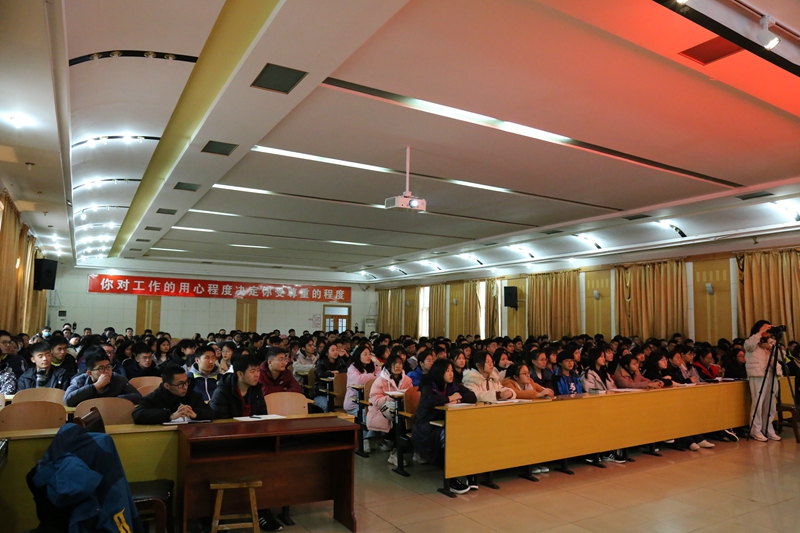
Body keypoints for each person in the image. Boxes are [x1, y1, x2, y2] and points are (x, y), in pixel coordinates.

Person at [412, 359, 476, 491]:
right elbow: (430, 400)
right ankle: (451, 480)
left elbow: (472, 397)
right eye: (447, 371)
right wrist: (449, 398)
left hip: (445, 423)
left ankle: (471, 474)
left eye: (452, 370)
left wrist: (458, 399)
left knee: (469, 435)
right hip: (426, 427)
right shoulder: (428, 384)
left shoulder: (453, 385)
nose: (451, 374)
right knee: (452, 439)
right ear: (439, 372)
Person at [366, 353, 413, 465]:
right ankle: (395, 454)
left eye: (400, 363)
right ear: (388, 366)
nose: (398, 366)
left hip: (400, 409)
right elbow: (376, 401)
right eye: (394, 363)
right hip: (381, 411)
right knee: (399, 422)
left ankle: (415, 451)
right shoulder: (380, 381)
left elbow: (410, 396)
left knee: (410, 418)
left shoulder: (407, 379)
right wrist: (392, 397)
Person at [132, 366, 218, 424]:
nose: (185, 387)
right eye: (180, 384)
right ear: (167, 386)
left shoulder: (193, 395)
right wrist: (170, 416)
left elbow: (211, 413)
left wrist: (195, 414)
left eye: (186, 382)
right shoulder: (156, 396)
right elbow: (137, 414)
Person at [64, 346, 142, 407]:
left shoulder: (119, 379)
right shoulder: (79, 381)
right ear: (89, 373)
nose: (107, 371)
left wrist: (112, 400)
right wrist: (96, 386)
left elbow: (137, 396)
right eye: (101, 368)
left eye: (108, 367)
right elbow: (68, 400)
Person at [745, 320, 783, 442]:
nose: (768, 330)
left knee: (770, 404)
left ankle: (768, 428)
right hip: (758, 375)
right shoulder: (751, 340)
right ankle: (755, 430)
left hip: (772, 374)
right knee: (758, 403)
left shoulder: (772, 342)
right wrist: (760, 333)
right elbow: (748, 346)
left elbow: (782, 356)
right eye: (765, 327)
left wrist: (770, 347)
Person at [343, 344, 381, 418]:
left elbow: (381, 376)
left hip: (370, 402)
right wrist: (373, 376)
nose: (368, 356)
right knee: (371, 417)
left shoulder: (372, 365)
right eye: (365, 354)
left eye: (369, 354)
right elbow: (358, 380)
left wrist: (369, 377)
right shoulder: (352, 368)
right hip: (354, 404)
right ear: (358, 356)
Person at [313, 342, 348, 412]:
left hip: (338, 392)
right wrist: (331, 374)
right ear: (326, 353)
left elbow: (347, 370)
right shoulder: (321, 362)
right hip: (322, 393)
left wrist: (337, 372)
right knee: (327, 406)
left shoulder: (340, 361)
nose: (335, 352)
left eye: (336, 350)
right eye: (332, 350)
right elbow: (320, 374)